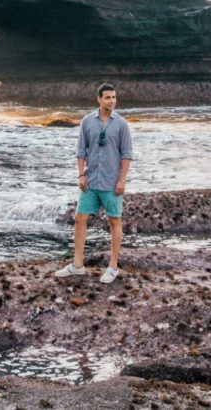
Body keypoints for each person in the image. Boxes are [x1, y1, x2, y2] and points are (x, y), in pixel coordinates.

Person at [55, 82, 133, 284]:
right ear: (98, 99)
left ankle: (113, 267)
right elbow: (81, 151)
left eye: (114, 97)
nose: (112, 101)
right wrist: (81, 175)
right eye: (108, 97)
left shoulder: (122, 124)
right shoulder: (87, 121)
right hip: (90, 181)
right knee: (80, 218)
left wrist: (122, 180)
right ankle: (77, 265)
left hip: (111, 181)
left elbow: (127, 155)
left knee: (114, 221)